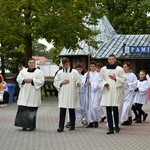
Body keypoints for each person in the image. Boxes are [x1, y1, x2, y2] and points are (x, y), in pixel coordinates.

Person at [99, 54, 126, 134]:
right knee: (108, 110)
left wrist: (115, 78)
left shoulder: (119, 69)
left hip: (115, 92)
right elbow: (100, 79)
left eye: (112, 59)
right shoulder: (103, 69)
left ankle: (116, 126)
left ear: (115, 60)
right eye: (109, 59)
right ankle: (110, 128)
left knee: (115, 110)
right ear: (108, 60)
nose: (111, 61)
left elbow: (124, 80)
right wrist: (104, 84)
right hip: (107, 91)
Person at [14, 58, 45, 131]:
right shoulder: (23, 71)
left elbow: (41, 81)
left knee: (32, 110)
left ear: (35, 64)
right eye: (30, 63)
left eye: (33, 63)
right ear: (28, 63)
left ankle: (31, 126)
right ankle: (23, 125)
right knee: (23, 109)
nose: (31, 64)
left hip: (33, 94)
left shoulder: (39, 72)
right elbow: (18, 79)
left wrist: (32, 81)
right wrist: (24, 80)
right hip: (24, 93)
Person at [53, 57, 81, 133]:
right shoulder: (60, 73)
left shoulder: (74, 72)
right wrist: (61, 83)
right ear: (62, 64)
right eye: (64, 64)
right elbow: (55, 82)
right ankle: (61, 127)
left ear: (69, 63)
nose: (66, 66)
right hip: (63, 93)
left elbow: (78, 80)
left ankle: (72, 125)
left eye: (67, 64)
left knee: (72, 109)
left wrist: (78, 84)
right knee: (62, 110)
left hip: (72, 92)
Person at [65, 63, 87, 128]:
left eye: (80, 69)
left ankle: (83, 120)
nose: (78, 71)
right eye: (77, 69)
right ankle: (70, 121)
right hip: (74, 94)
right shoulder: (72, 76)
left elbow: (84, 86)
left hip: (81, 94)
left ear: (82, 70)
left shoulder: (83, 77)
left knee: (82, 108)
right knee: (73, 107)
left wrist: (80, 85)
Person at [84, 61, 101, 128]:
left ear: (96, 67)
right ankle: (90, 122)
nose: (92, 67)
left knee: (94, 107)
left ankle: (95, 120)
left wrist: (91, 84)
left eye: (93, 66)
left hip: (96, 93)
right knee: (88, 108)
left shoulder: (98, 75)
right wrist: (86, 79)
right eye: (91, 66)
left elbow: (98, 84)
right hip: (88, 93)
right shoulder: (87, 74)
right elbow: (83, 82)